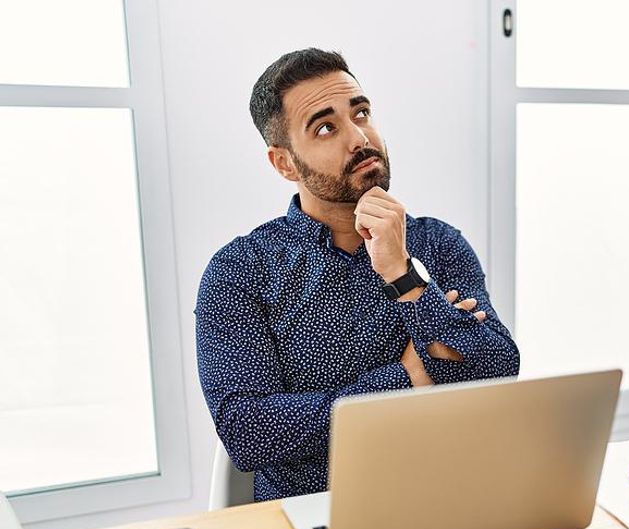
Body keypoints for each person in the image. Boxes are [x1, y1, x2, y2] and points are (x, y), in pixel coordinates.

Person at [195, 48, 520, 501]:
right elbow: (249, 432)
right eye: (326, 127)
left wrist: (401, 273)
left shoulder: (437, 244)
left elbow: (497, 367)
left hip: (446, 496)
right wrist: (408, 377)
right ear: (284, 163)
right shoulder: (240, 271)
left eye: (361, 113)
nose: (359, 137)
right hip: (314, 512)